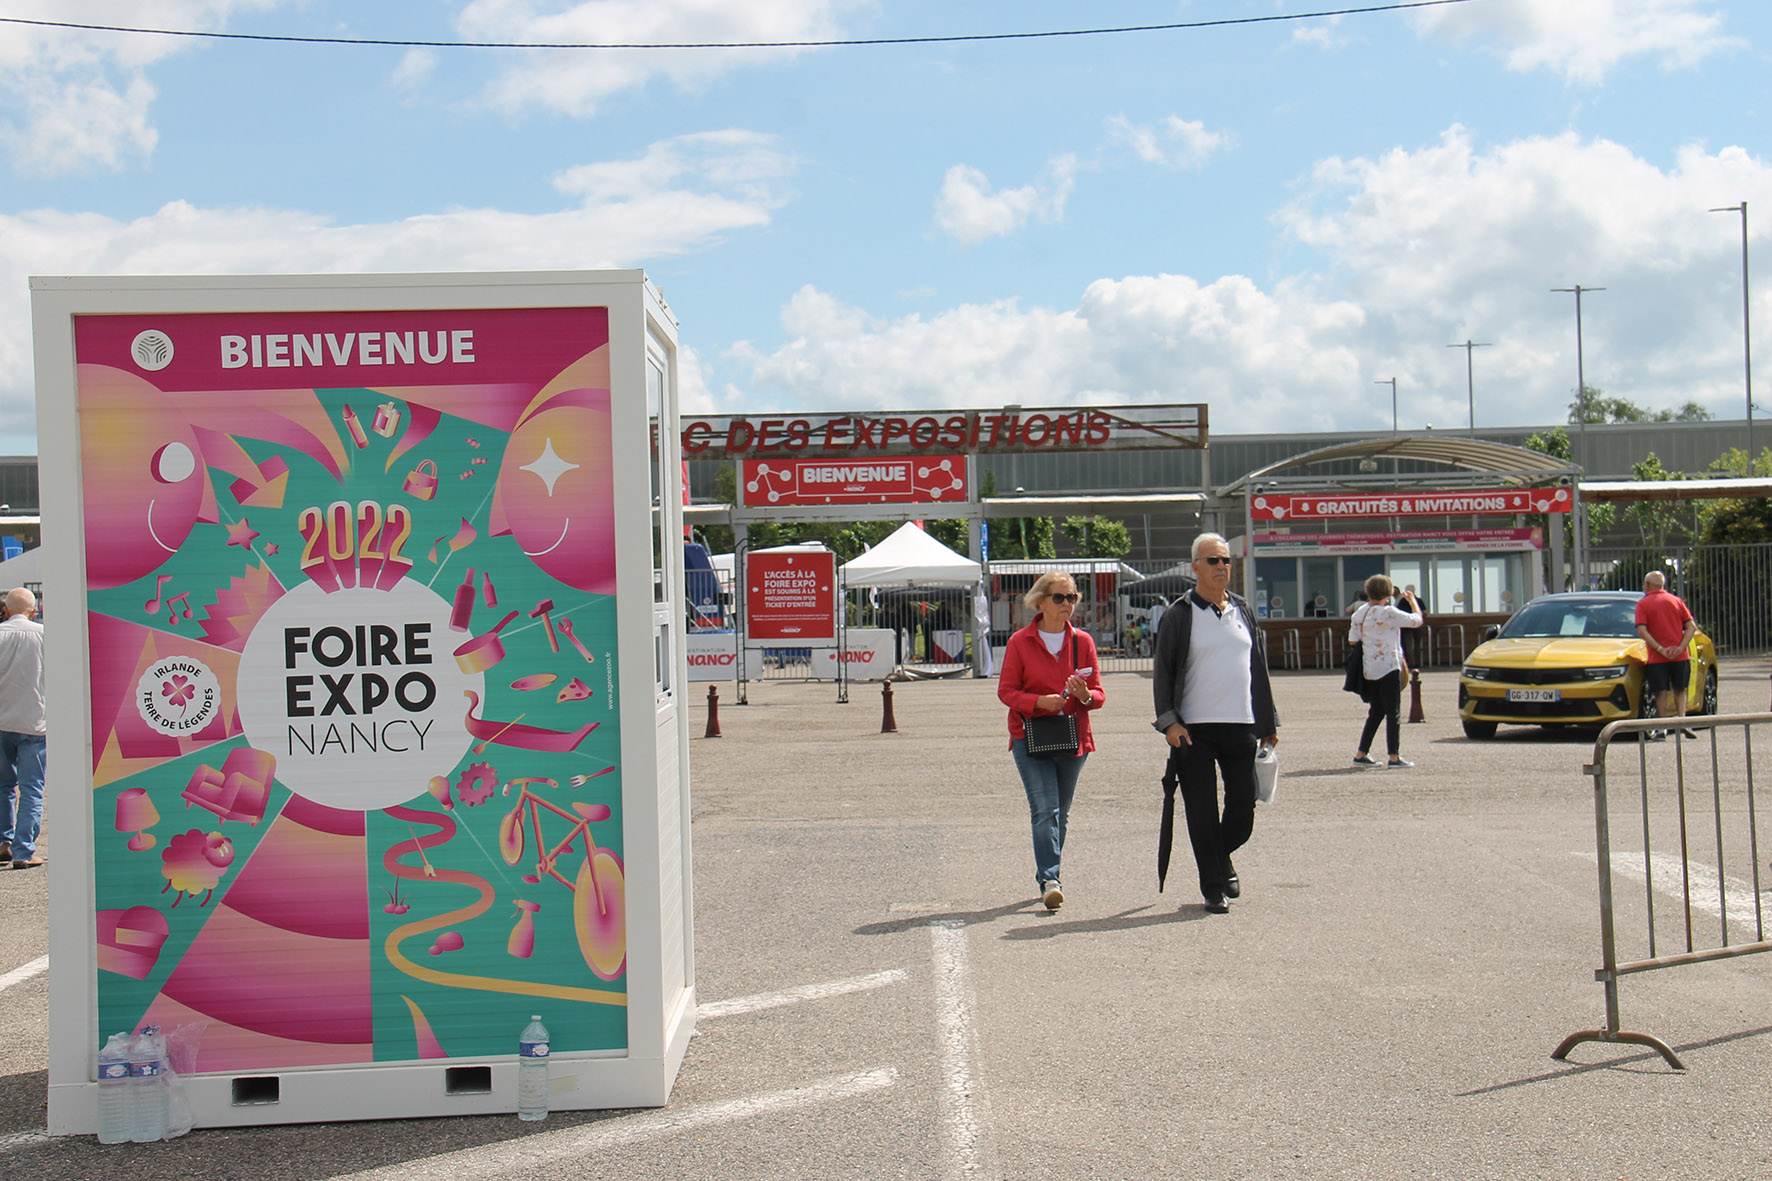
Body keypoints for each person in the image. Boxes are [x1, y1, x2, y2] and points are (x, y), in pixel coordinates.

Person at [1152, 533, 1279, 914]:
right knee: (1201, 809)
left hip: (1240, 724)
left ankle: (1219, 857)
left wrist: (1268, 719)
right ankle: (1213, 886)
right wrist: (1170, 722)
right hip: (1194, 730)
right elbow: (1163, 673)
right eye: (1213, 561)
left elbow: (1259, 668)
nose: (1221, 567)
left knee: (1243, 808)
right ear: (1195, 567)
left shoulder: (1242, 610)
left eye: (1225, 560)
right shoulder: (1180, 614)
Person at [997, 572, 1105, 912]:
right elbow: (1006, 691)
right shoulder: (1020, 642)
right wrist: (1039, 702)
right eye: (1059, 598)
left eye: (1072, 597)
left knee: (1061, 812)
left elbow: (1099, 695)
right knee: (1045, 810)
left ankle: (1049, 872)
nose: (1067, 605)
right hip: (1029, 736)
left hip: (1072, 738)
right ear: (1041, 601)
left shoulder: (1082, 642)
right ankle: (1050, 879)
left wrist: (1085, 694)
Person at [1349, 576, 1423, 768]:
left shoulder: (1360, 613)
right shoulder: (1389, 612)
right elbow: (1416, 620)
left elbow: (1352, 640)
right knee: (1393, 712)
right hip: (1389, 666)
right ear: (1388, 593)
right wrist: (1412, 602)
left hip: (1370, 668)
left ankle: (1361, 753)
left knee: (1376, 711)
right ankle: (1394, 756)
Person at [0, 588, 46, 869]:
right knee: (32, 789)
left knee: (3, 785)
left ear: (5, 610)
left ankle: (3, 841)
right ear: (33, 610)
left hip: (1, 721)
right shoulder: (44, 635)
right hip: (35, 722)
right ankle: (24, 851)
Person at [1634, 570, 1698, 741]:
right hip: (1680, 655)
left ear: (1647, 585)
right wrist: (1680, 647)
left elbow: (1642, 630)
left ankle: (1662, 727)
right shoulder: (1676, 601)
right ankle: (1682, 720)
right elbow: (1691, 627)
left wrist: (1660, 649)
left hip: (1657, 657)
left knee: (1660, 691)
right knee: (1680, 689)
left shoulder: (1643, 604)